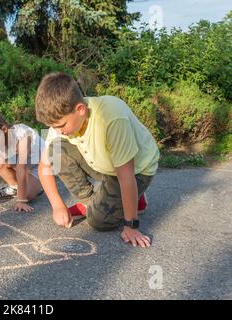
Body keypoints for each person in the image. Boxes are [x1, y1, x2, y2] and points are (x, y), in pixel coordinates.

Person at [35, 72, 160, 248]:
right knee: (56, 148)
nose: (58, 131)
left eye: (61, 126)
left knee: (97, 222)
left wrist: (131, 225)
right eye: (53, 127)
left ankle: (129, 200)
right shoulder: (59, 123)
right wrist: (57, 205)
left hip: (136, 171)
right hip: (102, 163)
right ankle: (92, 202)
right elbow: (44, 168)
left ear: (80, 109)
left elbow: (126, 176)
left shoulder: (112, 116)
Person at [0, 108, 44, 212]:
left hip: (40, 166)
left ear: (4, 129)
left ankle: (40, 185)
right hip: (23, 167)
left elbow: (21, 168)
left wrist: (21, 200)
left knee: (26, 195)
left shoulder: (22, 135)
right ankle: (15, 187)